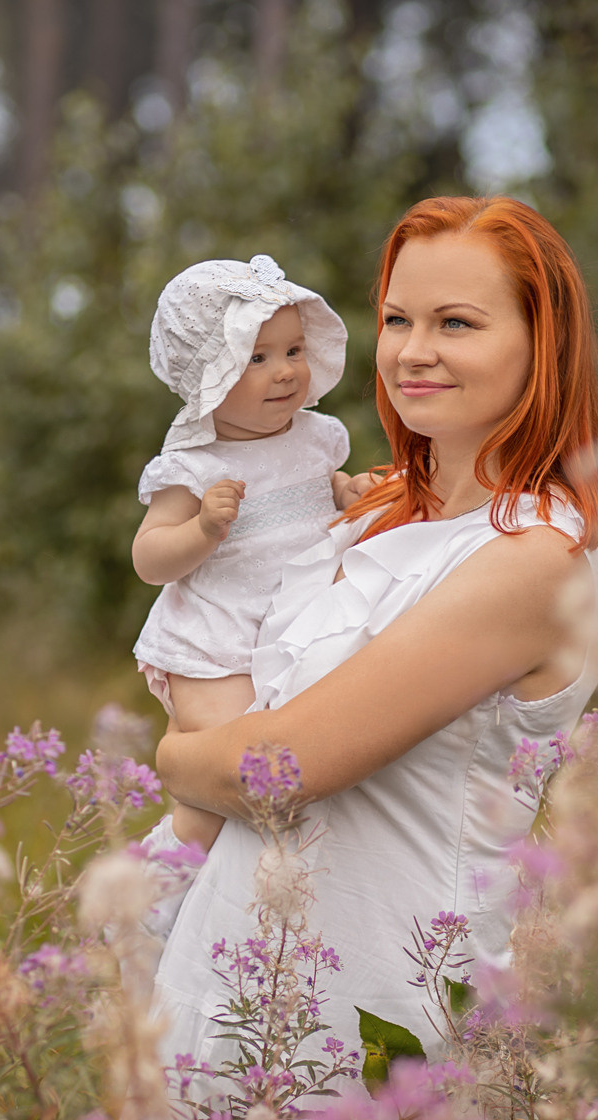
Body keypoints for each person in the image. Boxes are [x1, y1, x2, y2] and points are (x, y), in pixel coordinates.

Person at [150, 196, 598, 1086]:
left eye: (456, 322)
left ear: (541, 342)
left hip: (370, 1037)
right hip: (233, 992)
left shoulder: (535, 558)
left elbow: (278, 764)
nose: (413, 350)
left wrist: (174, 755)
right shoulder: (367, 511)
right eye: (397, 319)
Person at [132, 254, 375, 854]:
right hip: (215, 649)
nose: (286, 372)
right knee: (231, 779)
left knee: (297, 763)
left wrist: (347, 492)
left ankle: (254, 907)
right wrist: (201, 531)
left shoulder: (318, 436)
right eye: (258, 359)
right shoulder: (195, 466)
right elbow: (148, 558)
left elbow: (321, 494)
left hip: (290, 629)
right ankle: (160, 883)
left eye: (294, 351)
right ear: (207, 377)